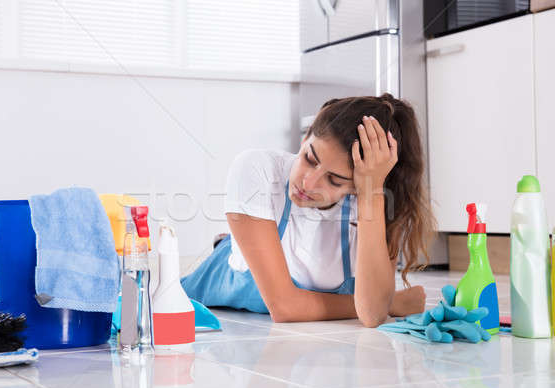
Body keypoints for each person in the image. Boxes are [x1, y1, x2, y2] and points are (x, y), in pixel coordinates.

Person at [181, 93, 436, 327]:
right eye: (309, 158)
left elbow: (372, 314)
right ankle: (228, 242)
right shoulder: (257, 168)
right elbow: (284, 307)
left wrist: (371, 194)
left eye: (334, 180)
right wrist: (395, 302)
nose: (308, 183)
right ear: (304, 139)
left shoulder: (375, 199)